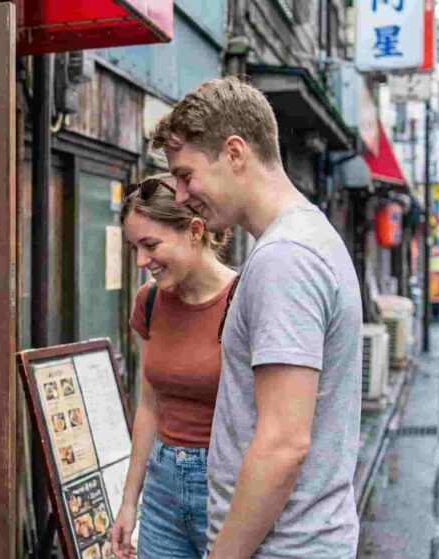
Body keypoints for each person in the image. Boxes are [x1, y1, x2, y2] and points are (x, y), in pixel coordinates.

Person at [151, 76, 363, 558]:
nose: (181, 196)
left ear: (234, 153)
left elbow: (284, 443)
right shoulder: (307, 237)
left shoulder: (284, 258)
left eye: (186, 175)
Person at [108, 174, 237, 559]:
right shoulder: (149, 301)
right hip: (162, 485)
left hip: (226, 486)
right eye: (134, 248)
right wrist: (130, 502)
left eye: (150, 245)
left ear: (195, 231)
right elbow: (150, 404)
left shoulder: (244, 300)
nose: (141, 261)